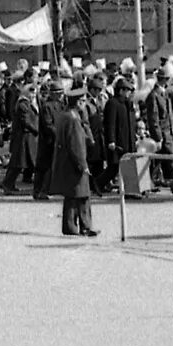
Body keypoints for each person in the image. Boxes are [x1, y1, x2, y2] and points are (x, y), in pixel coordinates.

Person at [50, 86, 97, 237]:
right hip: (74, 162)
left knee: (72, 196)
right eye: (83, 101)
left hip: (66, 162)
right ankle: (85, 226)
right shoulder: (74, 119)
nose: (84, 104)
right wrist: (82, 165)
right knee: (82, 195)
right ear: (77, 103)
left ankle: (71, 227)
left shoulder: (65, 116)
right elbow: (77, 144)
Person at [0, 75, 40, 193]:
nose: (33, 95)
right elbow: (25, 121)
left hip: (27, 138)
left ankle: (8, 184)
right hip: (22, 138)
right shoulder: (23, 104)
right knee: (17, 164)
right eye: (31, 93)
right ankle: (7, 184)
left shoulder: (29, 104)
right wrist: (37, 130)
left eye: (34, 93)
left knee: (19, 163)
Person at [100, 78, 138, 193]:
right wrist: (111, 140)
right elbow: (110, 124)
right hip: (118, 141)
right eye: (127, 90)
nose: (129, 93)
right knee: (114, 167)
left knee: (127, 165)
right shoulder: (113, 103)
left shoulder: (127, 104)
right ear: (121, 90)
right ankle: (97, 183)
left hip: (128, 140)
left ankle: (130, 190)